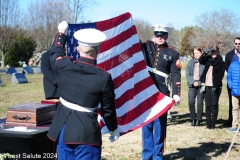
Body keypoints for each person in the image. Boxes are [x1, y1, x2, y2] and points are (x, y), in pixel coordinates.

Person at [47, 28, 119, 160]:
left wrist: (61, 34)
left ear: (77, 49)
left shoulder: (63, 65)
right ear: (98, 51)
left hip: (63, 128)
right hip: (86, 134)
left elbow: (55, 53)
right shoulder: (103, 77)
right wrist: (113, 128)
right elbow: (107, 109)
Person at [140, 24, 181, 159]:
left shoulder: (172, 53)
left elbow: (175, 74)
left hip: (162, 94)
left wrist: (176, 93)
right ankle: (147, 155)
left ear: (166, 36)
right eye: (157, 35)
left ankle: (157, 155)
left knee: (159, 127)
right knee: (146, 126)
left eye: (162, 35)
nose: (159, 38)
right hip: (146, 93)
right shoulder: (146, 46)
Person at [199, 45, 225, 129]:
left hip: (215, 86)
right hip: (206, 85)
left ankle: (213, 124)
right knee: (208, 105)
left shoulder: (221, 62)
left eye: (215, 51)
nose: (213, 53)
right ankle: (208, 124)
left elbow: (220, 75)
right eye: (212, 51)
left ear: (218, 52)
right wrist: (205, 53)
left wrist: (216, 86)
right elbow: (200, 60)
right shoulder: (207, 60)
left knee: (214, 105)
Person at [41, 21, 68, 100]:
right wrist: (57, 82)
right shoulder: (46, 55)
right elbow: (46, 71)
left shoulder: (66, 54)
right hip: (53, 89)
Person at [186, 46, 205, 126]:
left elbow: (205, 74)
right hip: (192, 85)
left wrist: (200, 82)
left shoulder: (204, 62)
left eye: (198, 53)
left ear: (201, 53)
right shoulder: (190, 62)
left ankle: (198, 119)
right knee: (191, 101)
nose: (196, 55)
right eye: (195, 53)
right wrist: (193, 82)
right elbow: (188, 74)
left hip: (201, 85)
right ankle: (193, 119)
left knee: (200, 102)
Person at [224, 37, 240, 127]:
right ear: (234, 44)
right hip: (232, 83)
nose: (237, 45)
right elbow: (227, 68)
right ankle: (231, 120)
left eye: (239, 44)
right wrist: (231, 82)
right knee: (232, 102)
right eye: (236, 43)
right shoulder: (229, 55)